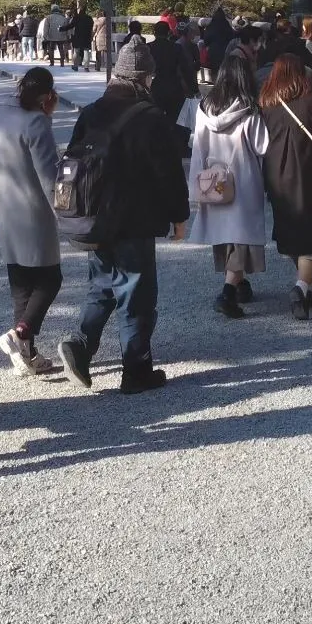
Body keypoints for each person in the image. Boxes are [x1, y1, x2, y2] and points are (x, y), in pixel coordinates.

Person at [56, 39, 189, 394]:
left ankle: (81, 346)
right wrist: (179, 215)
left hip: (95, 215)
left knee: (102, 284)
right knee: (137, 291)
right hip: (135, 216)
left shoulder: (92, 112)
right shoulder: (150, 117)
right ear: (145, 77)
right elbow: (168, 173)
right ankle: (136, 370)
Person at [0, 67, 63, 375]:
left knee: (21, 286)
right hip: (34, 210)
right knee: (49, 279)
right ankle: (19, 335)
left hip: (6, 207)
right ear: (47, 96)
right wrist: (65, 213)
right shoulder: (36, 123)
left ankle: (28, 355)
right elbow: (49, 176)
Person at [259, 53, 312, 319]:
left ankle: (307, 286)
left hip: (276, 174)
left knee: (290, 230)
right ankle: (301, 285)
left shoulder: (265, 104)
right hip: (310, 173)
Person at [187, 52, 270, 317]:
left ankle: (239, 282)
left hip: (213, 179)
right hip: (242, 179)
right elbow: (261, 146)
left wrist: (196, 179)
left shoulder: (204, 107)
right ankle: (228, 293)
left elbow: (197, 144)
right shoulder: (250, 109)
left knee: (224, 236)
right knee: (241, 237)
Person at [149, 20, 186, 124]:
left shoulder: (148, 48)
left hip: (155, 87)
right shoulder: (177, 48)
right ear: (169, 32)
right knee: (173, 120)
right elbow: (184, 68)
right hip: (174, 87)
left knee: (156, 120)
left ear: (154, 33)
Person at [203, 4, 235, 82]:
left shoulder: (211, 26)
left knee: (215, 71)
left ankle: (216, 85)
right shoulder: (226, 25)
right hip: (225, 52)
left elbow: (206, 40)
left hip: (213, 52)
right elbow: (232, 37)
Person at [70, 7, 95, 71]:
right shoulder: (89, 18)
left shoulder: (76, 18)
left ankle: (75, 66)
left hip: (77, 36)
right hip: (86, 36)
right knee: (86, 51)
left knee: (76, 51)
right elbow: (91, 27)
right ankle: (86, 67)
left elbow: (71, 26)